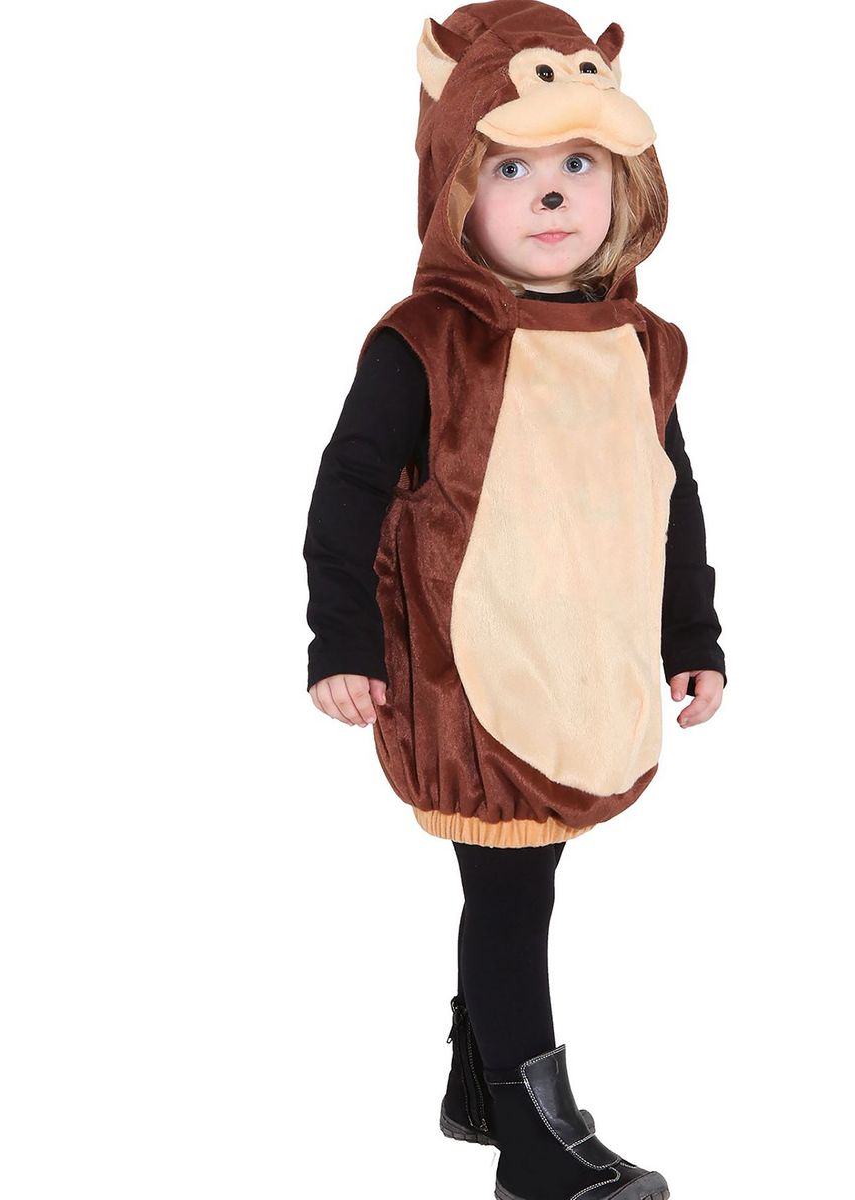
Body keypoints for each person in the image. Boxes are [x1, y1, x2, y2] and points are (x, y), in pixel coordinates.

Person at [303, 4, 727, 1198]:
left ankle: (480, 1088)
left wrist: (691, 634)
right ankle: (536, 1142)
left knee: (518, 884)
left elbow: (670, 497)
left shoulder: (640, 346)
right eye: (512, 169)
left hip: (577, 663)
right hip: (469, 669)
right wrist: (341, 640)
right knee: (511, 887)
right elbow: (348, 490)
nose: (551, 193)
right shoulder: (430, 343)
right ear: (456, 190)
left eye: (579, 164)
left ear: (626, 184)